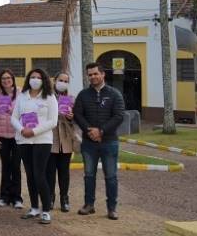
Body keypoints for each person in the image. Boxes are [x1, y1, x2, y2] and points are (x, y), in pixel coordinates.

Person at [74, 62, 125, 220]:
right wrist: (89, 130)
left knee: (111, 176)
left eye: (96, 73)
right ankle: (89, 205)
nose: (93, 77)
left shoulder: (115, 94)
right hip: (89, 143)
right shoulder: (83, 95)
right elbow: (78, 114)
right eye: (90, 74)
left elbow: (119, 116)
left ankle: (112, 208)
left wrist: (101, 131)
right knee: (89, 175)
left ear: (103, 74)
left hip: (109, 142)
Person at [11, 68, 58, 225]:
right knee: (30, 175)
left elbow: (53, 121)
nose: (35, 79)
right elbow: (14, 118)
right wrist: (22, 129)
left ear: (44, 80)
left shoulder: (50, 97)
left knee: (39, 175)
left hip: (42, 140)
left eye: (38, 77)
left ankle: (46, 210)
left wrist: (34, 131)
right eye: (32, 77)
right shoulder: (21, 97)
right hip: (24, 140)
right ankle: (34, 207)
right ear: (28, 79)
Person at [0, 69, 23, 209]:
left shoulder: (21, 93)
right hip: (2, 136)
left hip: (17, 136)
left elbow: (28, 113)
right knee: (5, 166)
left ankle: (17, 198)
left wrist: (15, 112)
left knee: (16, 166)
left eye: (8, 78)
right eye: (3, 78)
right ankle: (4, 196)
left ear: (13, 79)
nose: (6, 80)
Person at [47, 72, 76, 213]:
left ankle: (64, 198)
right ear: (55, 80)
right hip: (50, 138)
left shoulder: (71, 99)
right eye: (60, 80)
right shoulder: (46, 96)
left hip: (65, 139)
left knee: (64, 171)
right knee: (50, 171)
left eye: (66, 81)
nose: (63, 83)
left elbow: (76, 119)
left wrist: (71, 117)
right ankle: (50, 198)